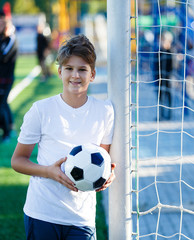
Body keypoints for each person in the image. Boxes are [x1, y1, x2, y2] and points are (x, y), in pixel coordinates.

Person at [11, 34, 116, 240]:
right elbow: (18, 161)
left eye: (82, 69)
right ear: (60, 72)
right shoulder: (41, 110)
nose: (75, 75)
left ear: (92, 74)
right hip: (42, 213)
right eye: (69, 68)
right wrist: (49, 172)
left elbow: (105, 159)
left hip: (81, 218)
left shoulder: (105, 112)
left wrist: (109, 174)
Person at [0, 9, 17, 142]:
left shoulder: (11, 38)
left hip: (6, 78)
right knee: (4, 103)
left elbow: (4, 55)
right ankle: (10, 127)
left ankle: (6, 133)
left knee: (1, 105)